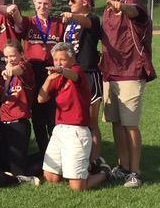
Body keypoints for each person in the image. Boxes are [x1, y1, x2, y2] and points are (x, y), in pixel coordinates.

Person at [99, 0, 154, 189]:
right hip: (110, 73)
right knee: (116, 122)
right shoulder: (106, 11)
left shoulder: (130, 3)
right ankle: (122, 165)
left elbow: (135, 13)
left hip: (131, 72)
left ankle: (135, 172)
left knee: (130, 124)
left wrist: (121, 7)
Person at [38, 42, 109, 192]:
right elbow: (41, 99)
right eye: (55, 60)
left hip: (77, 131)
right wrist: (49, 79)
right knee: (51, 178)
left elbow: (73, 75)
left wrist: (61, 70)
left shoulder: (77, 71)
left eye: (62, 59)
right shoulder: (56, 76)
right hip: (59, 130)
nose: (58, 63)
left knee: (77, 188)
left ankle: (105, 173)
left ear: (72, 59)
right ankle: (82, 167)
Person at [61, 0, 106, 174]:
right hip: (72, 75)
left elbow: (87, 23)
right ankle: (78, 158)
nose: (69, 4)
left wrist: (73, 16)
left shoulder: (92, 19)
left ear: (85, 3)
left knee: (90, 121)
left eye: (73, 0)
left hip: (88, 75)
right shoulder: (70, 23)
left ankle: (94, 161)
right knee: (75, 120)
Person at [18, 0, 65, 155]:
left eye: (46, 3)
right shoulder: (28, 22)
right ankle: (42, 150)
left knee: (53, 113)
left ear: (51, 4)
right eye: (39, 3)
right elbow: (14, 17)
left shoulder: (58, 24)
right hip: (33, 72)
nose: (42, 7)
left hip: (53, 72)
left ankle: (55, 150)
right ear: (34, 2)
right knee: (37, 114)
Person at [0, 40, 37, 176]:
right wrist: (7, 80)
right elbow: (2, 98)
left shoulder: (26, 67)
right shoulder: (6, 73)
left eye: (12, 56)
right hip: (4, 121)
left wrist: (9, 71)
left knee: (18, 171)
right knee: (4, 165)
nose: (9, 59)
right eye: (6, 57)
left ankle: (45, 163)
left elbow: (18, 69)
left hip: (19, 121)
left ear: (21, 54)